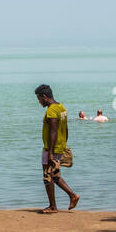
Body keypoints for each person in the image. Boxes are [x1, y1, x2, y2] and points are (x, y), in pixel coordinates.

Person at [36, 85, 78, 213]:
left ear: (44, 97)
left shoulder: (51, 111)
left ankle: (56, 205)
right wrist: (63, 145)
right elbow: (65, 128)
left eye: (39, 99)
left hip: (51, 148)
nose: (39, 102)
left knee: (47, 176)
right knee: (53, 175)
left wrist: (50, 152)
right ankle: (68, 198)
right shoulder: (62, 108)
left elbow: (53, 131)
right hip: (59, 147)